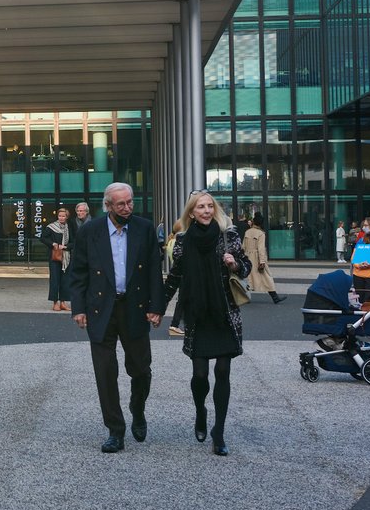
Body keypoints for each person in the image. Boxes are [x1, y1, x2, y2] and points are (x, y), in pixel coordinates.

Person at [68, 182, 164, 453]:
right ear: (108, 206)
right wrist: (78, 308)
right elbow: (78, 273)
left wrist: (156, 307)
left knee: (141, 369)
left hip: (134, 307)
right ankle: (115, 430)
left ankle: (138, 408)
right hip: (101, 309)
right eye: (121, 204)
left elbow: (154, 271)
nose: (127, 208)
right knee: (105, 372)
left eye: (130, 202)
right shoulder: (90, 231)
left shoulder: (144, 228)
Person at [164, 190, 252, 456]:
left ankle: (219, 432)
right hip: (198, 314)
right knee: (200, 375)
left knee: (223, 372)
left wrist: (234, 263)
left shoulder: (230, 236)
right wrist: (156, 307)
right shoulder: (182, 241)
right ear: (191, 213)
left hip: (224, 313)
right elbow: (175, 277)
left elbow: (247, 267)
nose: (206, 211)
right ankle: (201, 412)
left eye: (209, 206)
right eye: (200, 207)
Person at [243, 212, 286, 304]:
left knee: (248, 277)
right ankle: (275, 297)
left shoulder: (247, 232)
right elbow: (261, 248)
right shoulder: (261, 233)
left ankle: (244, 297)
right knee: (267, 277)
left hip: (248, 257)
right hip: (257, 258)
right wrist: (262, 261)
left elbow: (243, 246)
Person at [40, 207, 71, 311]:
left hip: (66, 257)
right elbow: (43, 238)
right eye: (60, 216)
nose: (61, 218)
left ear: (67, 217)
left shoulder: (69, 227)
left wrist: (66, 247)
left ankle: (63, 302)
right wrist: (53, 243)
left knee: (65, 280)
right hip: (54, 256)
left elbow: (75, 241)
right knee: (55, 279)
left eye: (63, 216)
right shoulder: (51, 227)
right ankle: (55, 303)